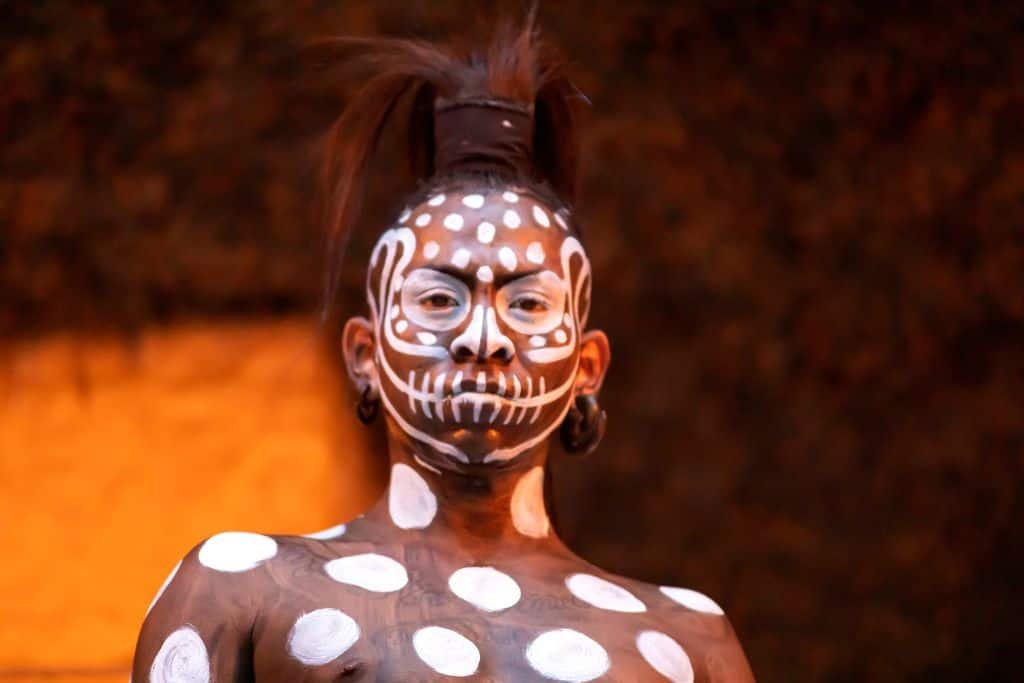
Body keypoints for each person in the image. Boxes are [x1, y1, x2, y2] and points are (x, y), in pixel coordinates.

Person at [133, 19, 755, 682]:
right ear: (364, 354)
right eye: (438, 300)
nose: (481, 337)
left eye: (527, 304)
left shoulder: (687, 639)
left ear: (586, 368)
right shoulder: (244, 592)